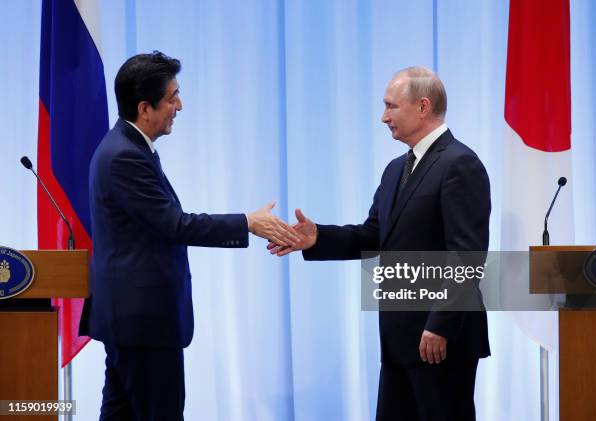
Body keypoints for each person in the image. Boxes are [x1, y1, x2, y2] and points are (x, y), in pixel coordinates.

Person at [79, 51, 299, 420]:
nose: (179, 105)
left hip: (130, 321)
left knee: (120, 413)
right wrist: (247, 222)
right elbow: (174, 225)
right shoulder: (124, 156)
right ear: (145, 107)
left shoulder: (126, 147)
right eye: (172, 97)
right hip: (143, 324)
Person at [270, 67, 491, 421]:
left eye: (390, 106)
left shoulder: (459, 164)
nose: (383, 117)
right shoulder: (395, 169)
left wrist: (440, 325)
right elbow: (373, 235)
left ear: (422, 106)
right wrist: (318, 237)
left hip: (440, 342)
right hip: (399, 339)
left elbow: (467, 255)